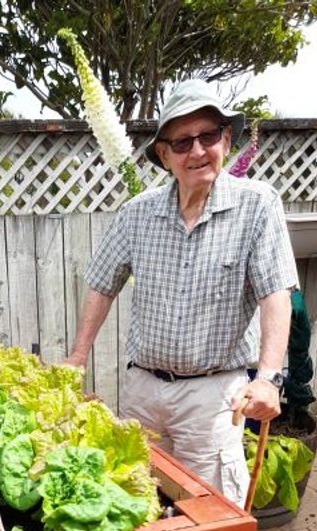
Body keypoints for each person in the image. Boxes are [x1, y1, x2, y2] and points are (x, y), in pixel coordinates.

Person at [65, 79, 298, 506]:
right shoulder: (138, 213)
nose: (197, 151)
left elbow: (275, 295)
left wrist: (267, 378)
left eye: (208, 136)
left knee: (208, 511)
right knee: (137, 502)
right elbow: (102, 283)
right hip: (142, 391)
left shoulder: (257, 205)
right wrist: (78, 358)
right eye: (182, 142)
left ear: (226, 140)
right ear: (164, 154)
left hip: (212, 398)